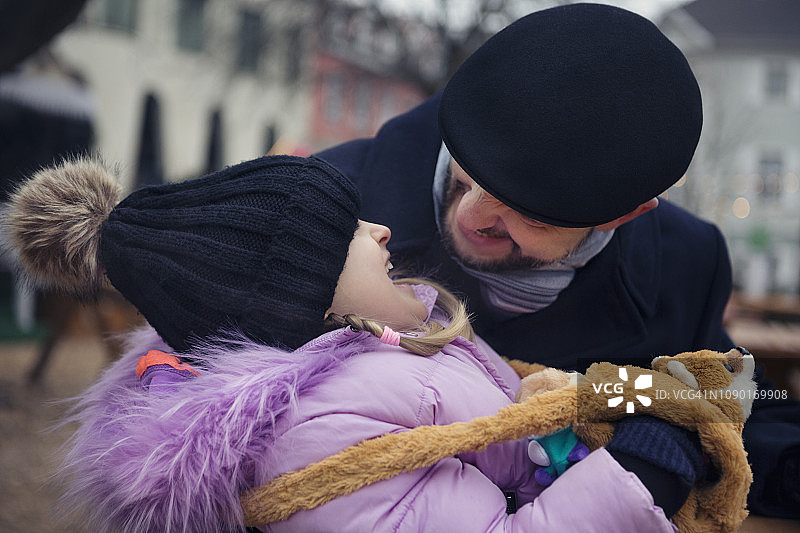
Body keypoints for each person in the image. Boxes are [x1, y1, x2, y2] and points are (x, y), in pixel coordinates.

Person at [4, 155, 708, 532]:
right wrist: (644, 477)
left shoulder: (385, 350)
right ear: (305, 299)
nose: (381, 231)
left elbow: (501, 423)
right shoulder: (322, 436)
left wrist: (635, 398)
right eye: (352, 232)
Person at [315, 3, 800, 518]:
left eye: (531, 215)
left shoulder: (681, 268)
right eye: (466, 174)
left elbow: (738, 406)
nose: (471, 217)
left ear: (623, 215)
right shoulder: (320, 210)